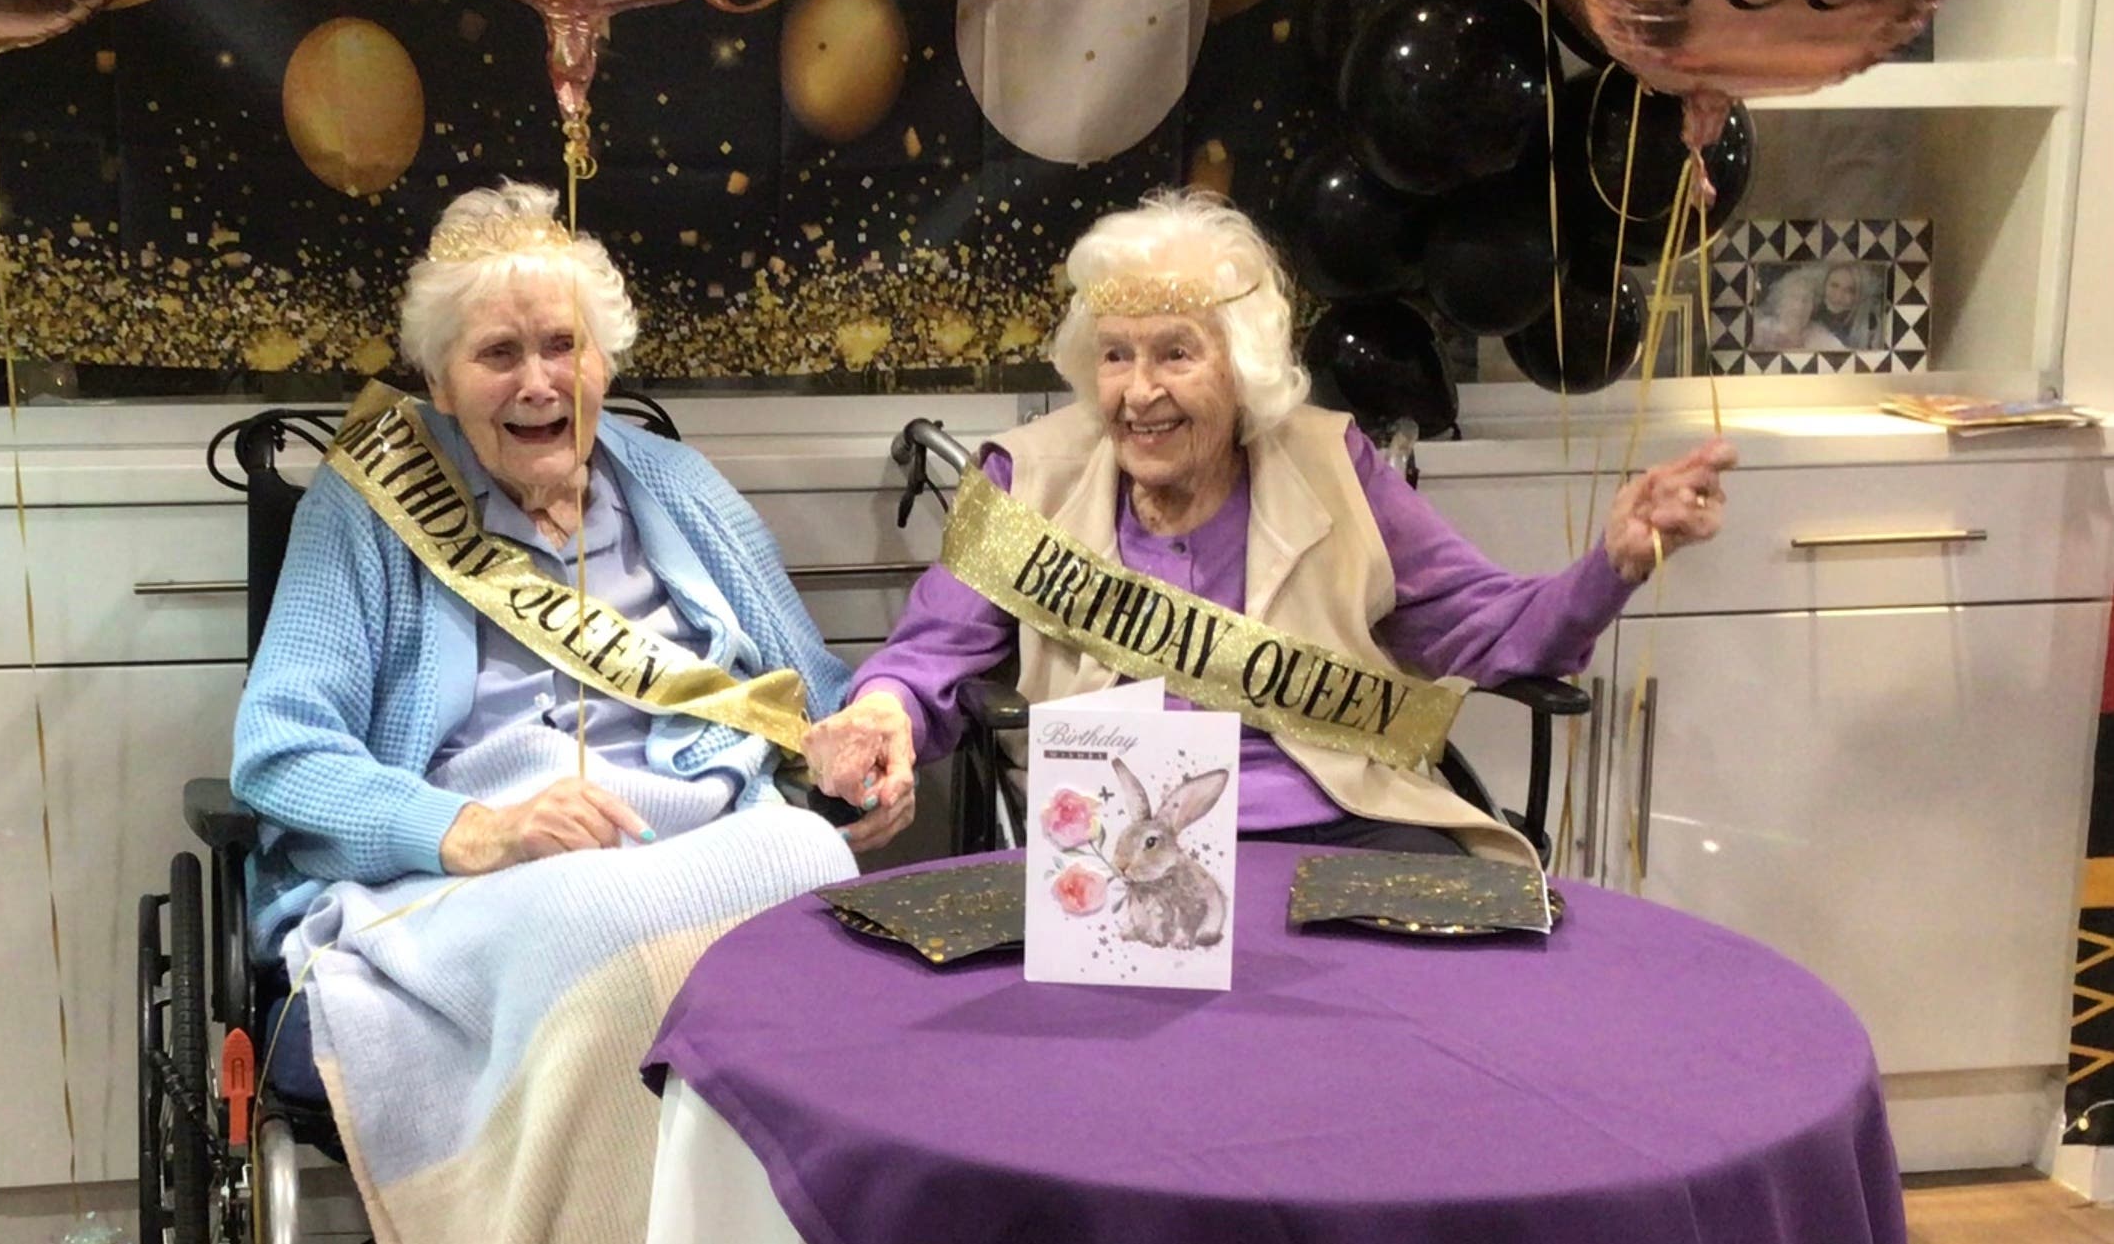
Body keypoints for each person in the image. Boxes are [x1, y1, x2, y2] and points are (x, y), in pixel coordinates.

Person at [231, 181, 855, 1244]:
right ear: (438, 377)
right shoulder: (366, 506)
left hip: (697, 833)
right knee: (595, 923)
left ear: (603, 358)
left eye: (561, 344)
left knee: (815, 867)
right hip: (468, 874)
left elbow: (813, 694)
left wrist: (857, 746)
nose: (537, 381)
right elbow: (280, 752)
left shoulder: (674, 482)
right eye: (497, 354)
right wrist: (474, 829)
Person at [806, 188, 1736, 861]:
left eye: (1177, 352)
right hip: (1112, 840)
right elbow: (927, 655)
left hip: (1338, 823)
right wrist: (880, 715)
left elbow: (1492, 628)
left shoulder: (1335, 466)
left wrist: (1614, 561)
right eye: (1116, 355)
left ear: (1242, 366)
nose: (1139, 392)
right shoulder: (1027, 479)